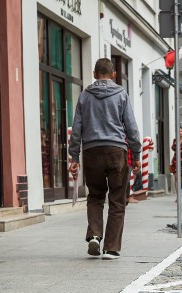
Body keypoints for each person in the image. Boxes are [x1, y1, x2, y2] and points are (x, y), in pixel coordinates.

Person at [68, 58, 140, 260]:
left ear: (94, 73)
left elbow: (77, 129)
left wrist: (74, 156)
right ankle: (111, 248)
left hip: (91, 151)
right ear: (114, 74)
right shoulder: (121, 94)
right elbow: (131, 128)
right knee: (117, 200)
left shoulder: (84, 96)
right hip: (116, 151)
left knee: (95, 196)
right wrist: (136, 155)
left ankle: (94, 235)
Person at [171, 126, 182, 202]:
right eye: (178, 131)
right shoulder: (175, 140)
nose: (179, 132)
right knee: (176, 178)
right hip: (175, 160)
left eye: (181, 131)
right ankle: (178, 196)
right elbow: (174, 149)